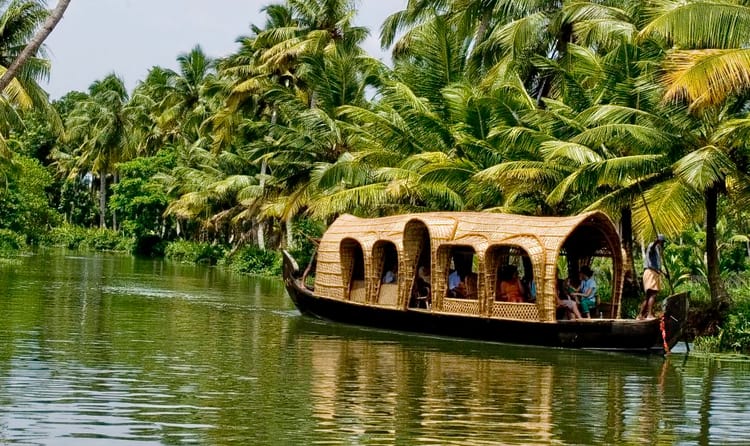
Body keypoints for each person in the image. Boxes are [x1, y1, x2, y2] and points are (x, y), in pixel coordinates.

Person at [639, 234, 667, 320]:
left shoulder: (658, 251)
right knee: (653, 294)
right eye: (662, 242)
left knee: (648, 296)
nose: (662, 244)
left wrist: (664, 273)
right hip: (650, 272)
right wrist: (656, 242)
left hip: (653, 272)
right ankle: (649, 315)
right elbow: (651, 249)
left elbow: (657, 265)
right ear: (659, 241)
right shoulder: (653, 246)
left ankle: (640, 315)